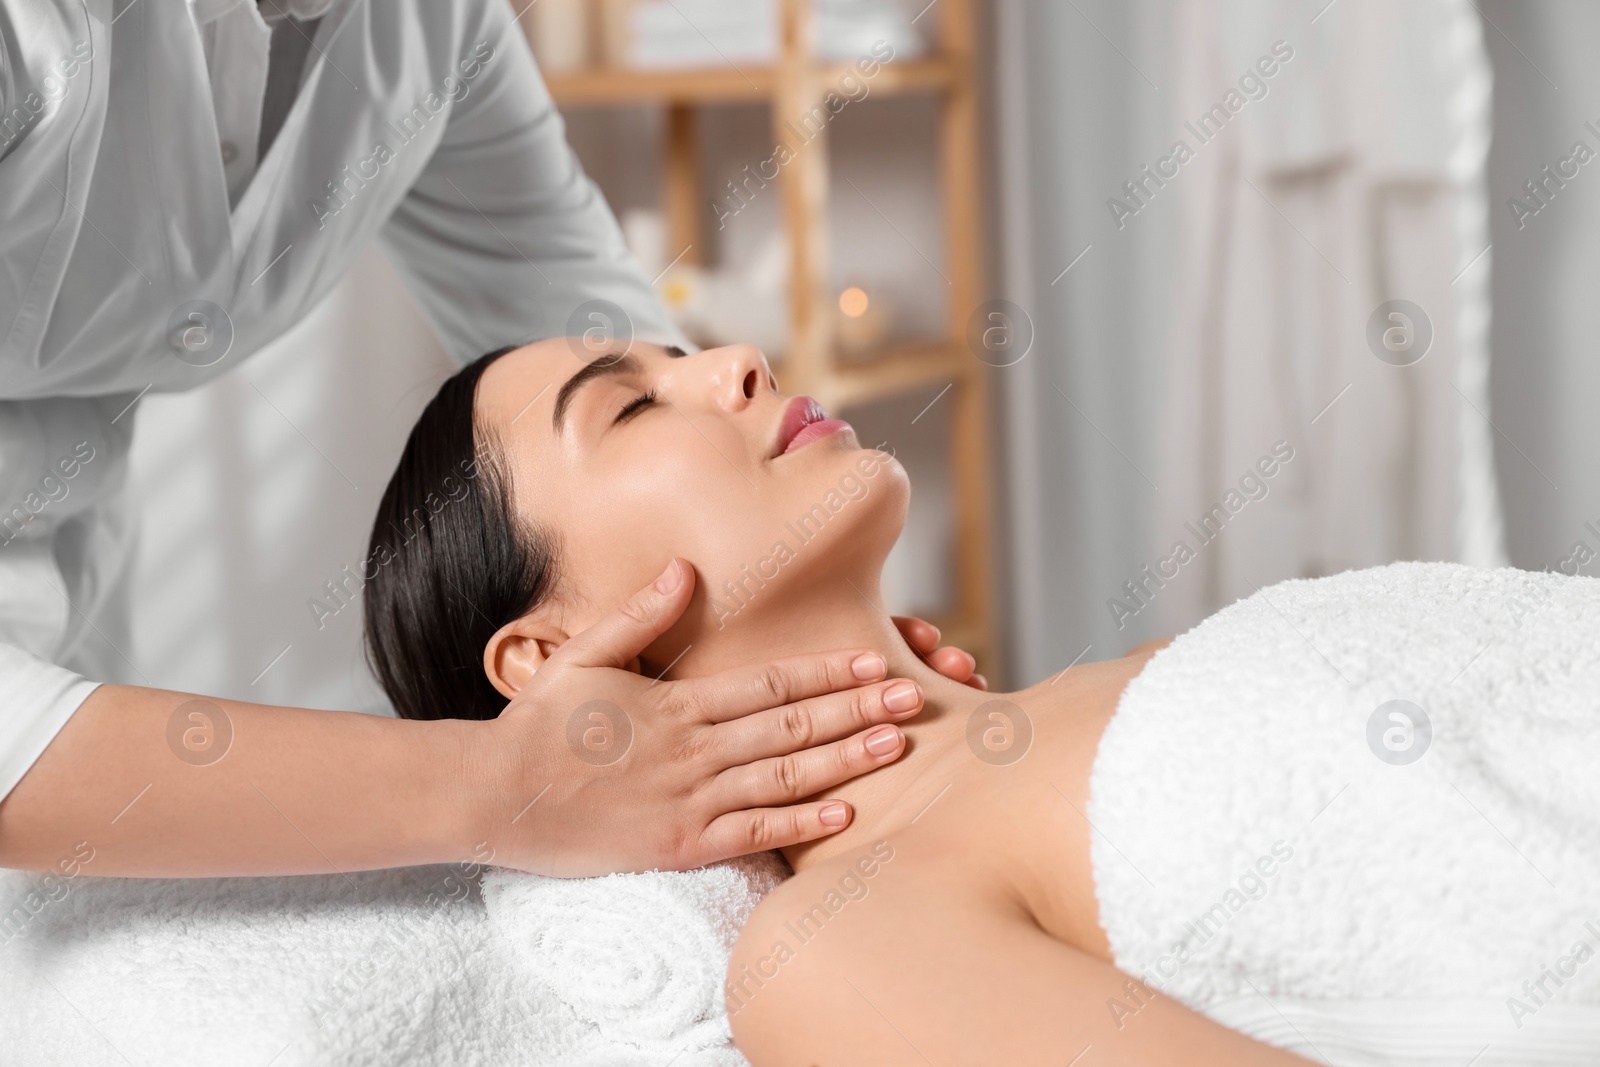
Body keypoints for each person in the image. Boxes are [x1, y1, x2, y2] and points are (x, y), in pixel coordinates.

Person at [363, 336, 1600, 1064]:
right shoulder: (834, 944)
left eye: (679, 345)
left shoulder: (1129, 680)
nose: (737, 360)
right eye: (630, 406)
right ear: (547, 655)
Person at [0, 0, 982, 878]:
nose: (743, 362)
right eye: (637, 411)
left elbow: (592, 336)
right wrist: (507, 784)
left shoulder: (435, 26)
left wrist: (809, 646)